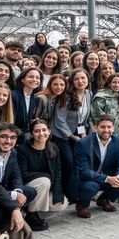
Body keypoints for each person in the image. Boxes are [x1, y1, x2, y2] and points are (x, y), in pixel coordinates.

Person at [73, 115, 119, 217]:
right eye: (103, 127)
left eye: (109, 127)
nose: (106, 130)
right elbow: (84, 171)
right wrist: (108, 179)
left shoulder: (118, 141)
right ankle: (81, 205)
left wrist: (118, 176)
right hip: (88, 179)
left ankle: (104, 199)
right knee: (92, 186)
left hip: (107, 176)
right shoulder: (83, 143)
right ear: (96, 127)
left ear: (113, 128)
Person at [0, 123, 42, 232]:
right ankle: (11, 214)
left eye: (13, 138)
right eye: (3, 137)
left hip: (3, 191)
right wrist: (14, 195)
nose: (8, 141)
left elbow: (16, 176)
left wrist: (18, 191)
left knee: (30, 192)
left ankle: (13, 213)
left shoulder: (12, 152)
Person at [50, 70, 92, 201]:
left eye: (83, 78)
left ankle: (73, 192)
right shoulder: (66, 96)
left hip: (79, 132)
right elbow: (59, 120)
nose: (80, 81)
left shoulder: (89, 94)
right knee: (68, 161)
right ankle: (62, 192)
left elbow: (84, 118)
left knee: (79, 163)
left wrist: (83, 132)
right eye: (77, 79)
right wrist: (72, 137)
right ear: (72, 81)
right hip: (62, 134)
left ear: (88, 80)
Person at [16, 118, 65, 228]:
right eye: (37, 131)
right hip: (27, 187)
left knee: (61, 204)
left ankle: (29, 216)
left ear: (49, 131)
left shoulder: (53, 148)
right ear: (32, 134)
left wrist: (58, 196)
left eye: (44, 130)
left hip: (45, 186)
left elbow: (57, 173)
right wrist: (46, 176)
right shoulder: (23, 149)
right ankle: (33, 216)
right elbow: (22, 174)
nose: (41, 134)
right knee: (44, 181)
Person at [12, 67, 49, 138]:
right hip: (13, 133)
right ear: (23, 79)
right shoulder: (13, 95)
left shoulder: (35, 98)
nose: (35, 80)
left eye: (37, 78)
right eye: (31, 77)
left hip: (25, 134)